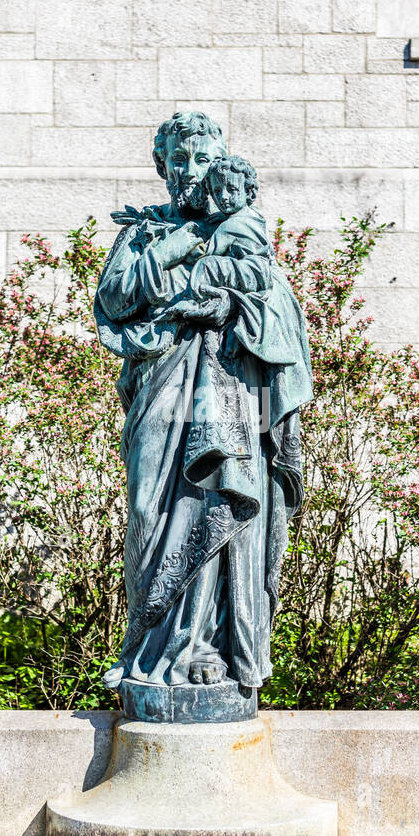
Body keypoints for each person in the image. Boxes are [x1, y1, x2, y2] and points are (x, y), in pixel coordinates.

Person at [94, 112, 312, 693]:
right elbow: (115, 299)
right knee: (148, 509)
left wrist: (226, 307)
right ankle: (146, 646)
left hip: (229, 388)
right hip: (160, 378)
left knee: (219, 498)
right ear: (162, 167)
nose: (190, 172)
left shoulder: (246, 228)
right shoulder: (142, 234)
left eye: (202, 159)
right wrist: (187, 239)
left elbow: (281, 313)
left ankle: (204, 648)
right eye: (179, 160)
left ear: (219, 163)